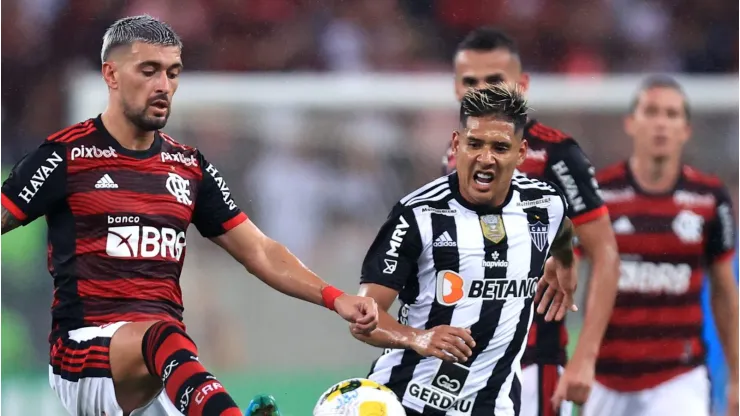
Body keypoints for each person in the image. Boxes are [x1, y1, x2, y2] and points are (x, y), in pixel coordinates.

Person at [0, 15, 378, 416]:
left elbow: (261, 252)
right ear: (110, 75)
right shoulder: (66, 155)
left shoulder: (188, 166)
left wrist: (336, 298)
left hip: (160, 368)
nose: (163, 85)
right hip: (84, 354)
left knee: (170, 343)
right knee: (166, 338)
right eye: (149, 71)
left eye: (172, 72)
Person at [351, 84, 579, 415]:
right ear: (457, 144)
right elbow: (363, 317)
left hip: (494, 406)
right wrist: (417, 337)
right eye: (475, 144)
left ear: (521, 152)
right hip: (409, 402)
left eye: (500, 147)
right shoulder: (418, 215)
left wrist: (564, 262)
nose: (486, 158)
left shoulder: (544, 204)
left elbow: (563, 229)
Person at [441, 28, 620, 415]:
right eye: (471, 82)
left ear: (521, 86)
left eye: (494, 81)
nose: (481, 91)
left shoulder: (557, 155)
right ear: (456, 88)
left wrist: (586, 357)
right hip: (464, 361)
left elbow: (604, 253)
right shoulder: (454, 156)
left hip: (532, 361)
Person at [582, 76, 739, 416]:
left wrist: (737, 377)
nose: (661, 124)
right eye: (651, 111)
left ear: (685, 129)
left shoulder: (710, 198)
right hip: (606, 376)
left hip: (679, 376)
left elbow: (725, 291)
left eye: (671, 114)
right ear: (631, 122)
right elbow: (565, 273)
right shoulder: (598, 194)